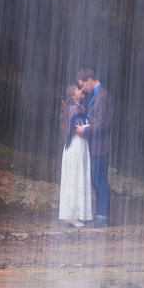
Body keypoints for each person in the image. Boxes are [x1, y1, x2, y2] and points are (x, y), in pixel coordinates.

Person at [75, 67, 112, 227]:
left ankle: (102, 218)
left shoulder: (102, 96)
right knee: (97, 180)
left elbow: (103, 124)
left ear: (90, 80)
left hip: (101, 146)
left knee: (100, 181)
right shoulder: (97, 95)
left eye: (83, 85)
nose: (82, 89)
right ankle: (100, 216)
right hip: (96, 145)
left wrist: (85, 129)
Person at [58, 84, 93, 227]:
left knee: (76, 176)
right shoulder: (74, 109)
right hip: (76, 144)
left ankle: (74, 213)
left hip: (77, 145)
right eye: (78, 90)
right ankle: (72, 214)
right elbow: (75, 128)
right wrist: (91, 126)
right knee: (75, 177)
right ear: (73, 96)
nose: (81, 90)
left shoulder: (75, 107)